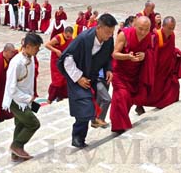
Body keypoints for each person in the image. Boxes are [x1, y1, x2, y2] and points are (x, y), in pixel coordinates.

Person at [57, 14, 117, 148]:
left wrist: (109, 69)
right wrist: (78, 78)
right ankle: (77, 137)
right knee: (85, 107)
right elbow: (67, 58)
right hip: (76, 76)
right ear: (98, 28)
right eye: (107, 32)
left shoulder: (109, 40)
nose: (109, 36)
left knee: (90, 106)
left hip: (93, 76)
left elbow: (108, 56)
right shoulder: (83, 39)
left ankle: (81, 137)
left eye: (111, 33)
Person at [1, 33, 43, 161]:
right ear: (28, 46)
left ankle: (16, 153)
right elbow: (11, 88)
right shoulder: (16, 63)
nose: (38, 50)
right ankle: (16, 145)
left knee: (20, 125)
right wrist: (26, 98)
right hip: (16, 100)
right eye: (36, 48)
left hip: (25, 98)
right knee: (33, 124)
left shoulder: (30, 58)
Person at [109, 16, 151, 133]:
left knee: (128, 99)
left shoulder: (148, 36)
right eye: (140, 29)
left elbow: (149, 51)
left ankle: (119, 122)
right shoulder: (124, 34)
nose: (143, 32)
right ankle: (119, 126)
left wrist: (145, 55)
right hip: (120, 72)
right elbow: (115, 54)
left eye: (146, 29)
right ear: (134, 26)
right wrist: (128, 57)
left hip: (135, 73)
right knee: (121, 96)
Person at [137, 16, 181, 110]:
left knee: (173, 86)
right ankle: (139, 104)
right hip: (156, 68)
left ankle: (163, 103)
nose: (171, 30)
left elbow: (170, 48)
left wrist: (176, 52)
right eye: (169, 28)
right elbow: (150, 51)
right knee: (151, 90)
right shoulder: (156, 35)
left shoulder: (172, 35)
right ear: (163, 26)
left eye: (173, 28)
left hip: (167, 68)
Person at [45, 26, 74, 104]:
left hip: (64, 61)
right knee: (57, 80)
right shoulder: (58, 37)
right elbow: (47, 45)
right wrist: (56, 50)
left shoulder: (71, 38)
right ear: (64, 33)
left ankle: (60, 96)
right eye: (67, 36)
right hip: (55, 61)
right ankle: (50, 99)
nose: (68, 38)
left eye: (70, 36)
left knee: (64, 79)